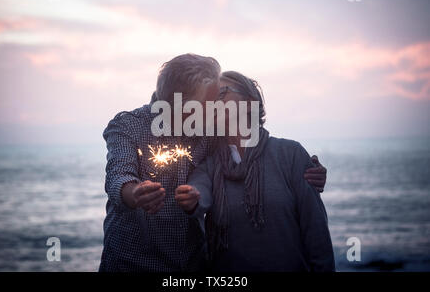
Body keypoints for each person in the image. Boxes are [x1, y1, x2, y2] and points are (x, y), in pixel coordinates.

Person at [99, 54, 328, 271]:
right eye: (212, 99)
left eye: (221, 94)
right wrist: (134, 193)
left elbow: (252, 147)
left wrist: (309, 170)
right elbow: (118, 174)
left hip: (192, 265)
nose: (217, 104)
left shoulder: (217, 132)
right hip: (132, 262)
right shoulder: (130, 126)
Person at [176, 71, 335, 271]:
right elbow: (199, 193)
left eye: (222, 92)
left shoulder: (290, 154)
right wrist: (191, 198)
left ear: (250, 102)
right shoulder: (209, 163)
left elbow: (316, 231)